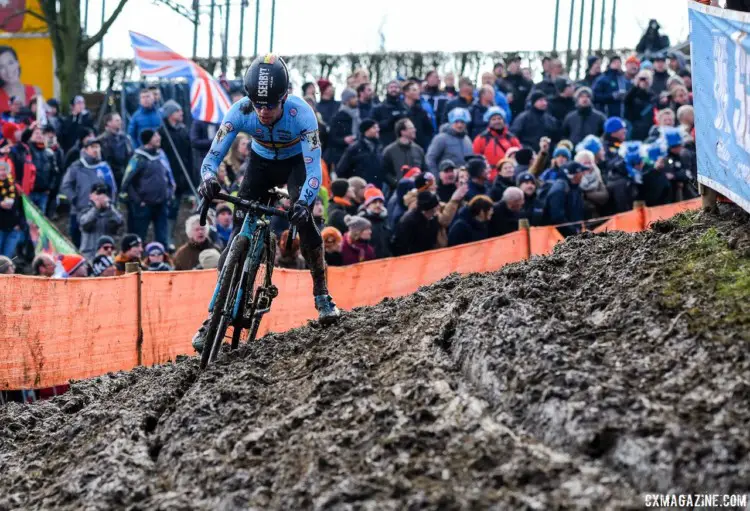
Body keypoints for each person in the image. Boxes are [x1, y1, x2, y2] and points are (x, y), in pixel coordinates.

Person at [197, 54, 340, 336]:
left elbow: (314, 174)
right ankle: (214, 315)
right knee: (240, 231)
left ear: (285, 97)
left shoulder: (303, 114)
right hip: (260, 165)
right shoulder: (240, 111)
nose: (263, 111)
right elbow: (211, 159)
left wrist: (303, 202)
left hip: (295, 165)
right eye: (258, 104)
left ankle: (322, 296)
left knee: (305, 220)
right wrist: (209, 180)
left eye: (271, 104)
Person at [60, 136, 116, 248]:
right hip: (79, 210)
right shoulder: (76, 166)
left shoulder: (104, 167)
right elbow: (66, 185)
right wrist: (75, 199)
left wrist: (110, 203)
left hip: (100, 212)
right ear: (86, 150)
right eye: (92, 147)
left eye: (97, 147)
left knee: (100, 243)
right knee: (78, 241)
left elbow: (112, 188)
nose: (96, 150)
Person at [121, 129, 173, 247]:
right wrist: (139, 201)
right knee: (139, 237)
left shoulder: (160, 155)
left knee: (162, 238)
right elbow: (127, 182)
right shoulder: (138, 158)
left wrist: (168, 194)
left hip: (161, 203)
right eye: (155, 136)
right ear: (148, 140)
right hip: (144, 205)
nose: (159, 138)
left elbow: (168, 176)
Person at [78, 183, 124, 260]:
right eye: (98, 194)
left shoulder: (112, 211)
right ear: (91, 196)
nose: (101, 197)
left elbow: (119, 223)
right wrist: (96, 208)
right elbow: (85, 224)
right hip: (89, 254)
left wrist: (110, 208)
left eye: (104, 194)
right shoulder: (84, 209)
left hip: (107, 254)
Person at [336, 119, 384, 188]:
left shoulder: (378, 147)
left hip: (376, 188)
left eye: (377, 127)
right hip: (360, 189)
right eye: (374, 127)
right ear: (366, 131)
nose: (378, 130)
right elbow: (341, 170)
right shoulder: (354, 148)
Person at [544, 162, 588, 237]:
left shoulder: (575, 188)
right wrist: (573, 231)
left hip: (572, 234)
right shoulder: (559, 190)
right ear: (575, 174)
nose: (584, 175)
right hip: (559, 237)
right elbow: (557, 217)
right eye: (582, 172)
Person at [382, 118, 426, 192]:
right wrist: (396, 183)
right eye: (411, 128)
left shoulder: (418, 149)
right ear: (402, 132)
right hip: (397, 192)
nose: (414, 130)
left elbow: (424, 169)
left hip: (417, 192)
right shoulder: (389, 151)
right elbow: (385, 172)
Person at [391, 191, 440, 256]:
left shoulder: (433, 219)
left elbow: (432, 241)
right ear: (424, 211)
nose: (435, 213)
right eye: (433, 211)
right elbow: (401, 246)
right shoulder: (408, 222)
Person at [425, 108, 473, 174]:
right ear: (451, 122)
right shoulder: (441, 138)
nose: (459, 125)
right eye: (456, 122)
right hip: (445, 181)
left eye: (462, 122)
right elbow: (430, 159)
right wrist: (437, 177)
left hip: (462, 181)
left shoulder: (467, 140)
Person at [26, 125, 59, 214]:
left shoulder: (49, 153)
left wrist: (50, 188)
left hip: (43, 193)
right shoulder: (27, 150)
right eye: (36, 133)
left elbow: (54, 172)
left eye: (42, 134)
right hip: (29, 192)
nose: (39, 135)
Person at [0, 46, 41, 113]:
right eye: (1, 67)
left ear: (17, 63)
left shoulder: (36, 91)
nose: (8, 70)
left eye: (10, 63)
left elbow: (42, 119)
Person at [325, 88, 359, 169]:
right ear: (347, 100)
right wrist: (344, 140)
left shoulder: (358, 115)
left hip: (356, 154)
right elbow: (331, 138)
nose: (356, 99)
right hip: (341, 155)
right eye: (353, 97)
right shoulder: (338, 117)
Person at [99, 112, 134, 187]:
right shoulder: (102, 140)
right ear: (109, 123)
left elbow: (131, 155)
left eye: (120, 120)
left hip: (125, 175)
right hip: (110, 177)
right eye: (117, 120)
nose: (120, 122)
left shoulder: (125, 138)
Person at [574, 150, 610, 218]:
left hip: (598, 215)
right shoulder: (576, 178)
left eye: (590, 162)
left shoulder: (597, 175)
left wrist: (586, 194)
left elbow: (604, 196)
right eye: (585, 163)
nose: (588, 165)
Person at [372, 80, 408, 147]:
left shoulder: (405, 107)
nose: (393, 89)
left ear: (400, 90)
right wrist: (390, 120)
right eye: (391, 87)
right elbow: (375, 126)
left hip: (403, 143)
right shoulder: (379, 108)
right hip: (385, 143)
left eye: (396, 87)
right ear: (387, 89)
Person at [358, 185, 391, 259]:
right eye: (374, 202)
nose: (378, 205)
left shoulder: (385, 219)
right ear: (367, 204)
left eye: (380, 202)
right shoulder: (362, 221)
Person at [625, 70, 657, 142]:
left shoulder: (652, 94)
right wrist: (636, 86)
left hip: (648, 127)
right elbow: (626, 101)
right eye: (642, 78)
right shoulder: (632, 93)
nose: (644, 81)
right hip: (634, 128)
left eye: (646, 78)